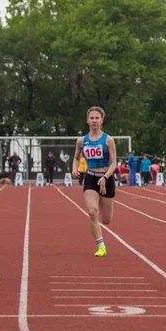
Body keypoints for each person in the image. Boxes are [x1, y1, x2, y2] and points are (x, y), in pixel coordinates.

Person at [73, 106, 118, 258]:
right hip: (91, 179)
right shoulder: (81, 141)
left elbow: (114, 163)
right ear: (87, 120)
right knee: (92, 212)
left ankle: (104, 203)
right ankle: (101, 246)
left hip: (106, 179)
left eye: (97, 118)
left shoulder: (108, 140)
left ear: (101, 120)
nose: (94, 120)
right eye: (91, 118)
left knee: (106, 220)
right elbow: (76, 157)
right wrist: (75, 168)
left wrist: (105, 177)